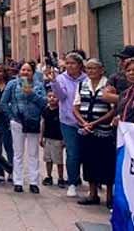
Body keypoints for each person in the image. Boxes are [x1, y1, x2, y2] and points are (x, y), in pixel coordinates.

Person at [73, 59, 116, 208]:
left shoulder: (108, 86)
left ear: (101, 70)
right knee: (89, 161)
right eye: (88, 68)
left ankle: (110, 196)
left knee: (107, 163)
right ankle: (93, 194)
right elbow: (76, 107)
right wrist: (83, 122)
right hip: (86, 130)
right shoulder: (82, 85)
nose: (90, 71)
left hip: (104, 131)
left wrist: (96, 123)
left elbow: (113, 109)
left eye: (93, 68)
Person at [1, 61, 46, 194]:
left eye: (28, 70)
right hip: (18, 122)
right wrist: (12, 116)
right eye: (23, 70)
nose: (25, 73)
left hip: (33, 122)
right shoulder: (13, 84)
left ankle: (34, 182)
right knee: (18, 153)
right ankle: (18, 181)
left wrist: (31, 94)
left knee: (33, 153)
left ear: (33, 72)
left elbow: (44, 103)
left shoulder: (38, 85)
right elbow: (4, 102)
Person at [45, 51, 86, 197]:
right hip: (68, 120)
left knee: (85, 152)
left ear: (80, 65)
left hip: (86, 121)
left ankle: (90, 179)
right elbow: (61, 97)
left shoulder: (86, 79)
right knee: (72, 152)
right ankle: (72, 182)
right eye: (67, 63)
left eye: (72, 63)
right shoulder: (61, 78)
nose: (69, 66)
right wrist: (54, 82)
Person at [40, 90, 66, 188]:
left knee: (58, 160)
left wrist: (64, 139)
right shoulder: (45, 110)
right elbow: (43, 124)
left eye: (54, 96)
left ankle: (60, 178)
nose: (52, 98)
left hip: (58, 139)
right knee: (48, 159)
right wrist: (41, 137)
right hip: (47, 138)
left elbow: (62, 125)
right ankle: (49, 176)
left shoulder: (60, 111)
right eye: (49, 96)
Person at [114, 58, 134, 123]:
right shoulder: (124, 94)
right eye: (128, 70)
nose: (131, 73)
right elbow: (121, 113)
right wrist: (117, 119)